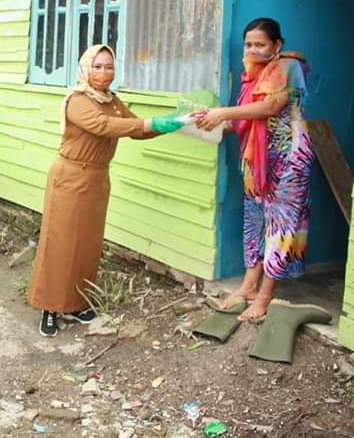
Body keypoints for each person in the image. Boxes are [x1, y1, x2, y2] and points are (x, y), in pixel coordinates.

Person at [27, 44, 185, 338]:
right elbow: (103, 126)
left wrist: (173, 122)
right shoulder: (77, 100)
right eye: (97, 66)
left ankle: (77, 304)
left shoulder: (112, 100)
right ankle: (49, 306)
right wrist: (150, 121)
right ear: (86, 68)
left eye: (109, 66)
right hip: (70, 177)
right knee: (60, 242)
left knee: (88, 244)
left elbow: (135, 130)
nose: (104, 72)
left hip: (98, 178)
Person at [196, 18, 314, 322]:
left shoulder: (290, 67)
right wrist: (209, 122)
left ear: (277, 45)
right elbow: (244, 120)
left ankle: (264, 296)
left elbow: (270, 108)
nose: (253, 50)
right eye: (248, 44)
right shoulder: (252, 76)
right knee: (255, 220)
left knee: (280, 226)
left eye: (260, 44)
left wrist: (222, 112)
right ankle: (249, 286)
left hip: (287, 160)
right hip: (255, 160)